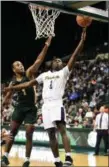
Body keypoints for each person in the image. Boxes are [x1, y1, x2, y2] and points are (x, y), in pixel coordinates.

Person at [4, 28, 86, 167]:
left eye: (60, 61)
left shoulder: (64, 72)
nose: (58, 61)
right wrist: (11, 89)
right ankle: (56, 161)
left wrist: (82, 41)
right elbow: (28, 84)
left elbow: (74, 55)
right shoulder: (44, 75)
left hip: (55, 104)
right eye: (56, 60)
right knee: (50, 134)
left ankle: (68, 158)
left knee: (61, 130)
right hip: (45, 106)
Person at [1, 36, 52, 167]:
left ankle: (27, 159)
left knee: (29, 132)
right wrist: (3, 103)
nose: (21, 65)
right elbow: (8, 97)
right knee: (12, 132)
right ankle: (5, 157)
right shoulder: (12, 82)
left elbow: (39, 60)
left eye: (21, 63)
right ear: (13, 69)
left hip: (30, 108)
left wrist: (46, 45)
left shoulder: (29, 73)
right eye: (18, 65)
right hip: (19, 108)